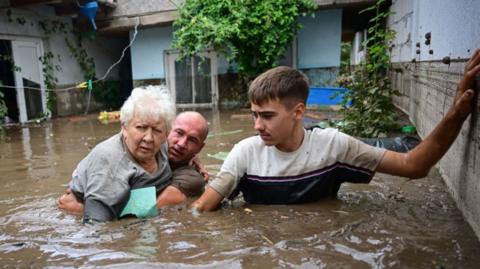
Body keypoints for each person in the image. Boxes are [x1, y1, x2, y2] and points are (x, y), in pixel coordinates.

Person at [191, 49, 480, 212]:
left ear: (298, 112)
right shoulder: (245, 153)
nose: (257, 126)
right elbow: (201, 211)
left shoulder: (334, 146)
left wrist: (456, 111)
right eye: (254, 115)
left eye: (266, 116)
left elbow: (414, 165)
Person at [57, 108, 209, 220]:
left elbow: (143, 210)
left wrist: (83, 208)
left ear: (200, 148)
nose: (182, 144)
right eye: (179, 133)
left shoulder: (192, 178)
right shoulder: (149, 145)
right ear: (167, 130)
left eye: (192, 140)